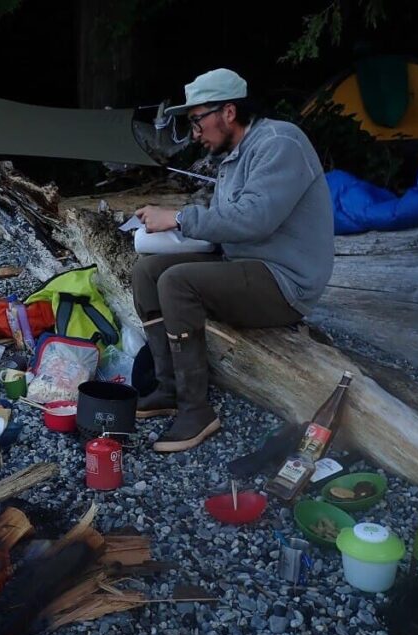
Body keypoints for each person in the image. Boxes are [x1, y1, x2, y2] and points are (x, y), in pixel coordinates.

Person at [132, 68, 334, 453]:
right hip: (244, 264)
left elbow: (255, 220)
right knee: (147, 272)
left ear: (228, 112)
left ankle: (196, 411)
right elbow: (226, 221)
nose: (194, 133)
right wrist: (170, 228)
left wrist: (177, 218)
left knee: (177, 282)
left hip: (284, 281)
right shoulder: (234, 156)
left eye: (196, 120)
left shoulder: (279, 142)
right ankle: (169, 387)